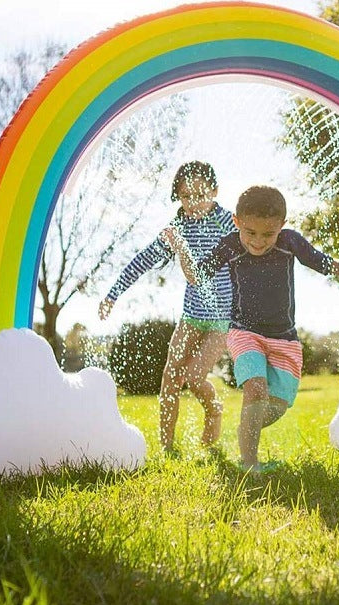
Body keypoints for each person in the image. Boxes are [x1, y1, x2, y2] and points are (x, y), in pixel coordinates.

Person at [163, 185, 339, 472]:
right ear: (237, 222)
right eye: (250, 232)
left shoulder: (289, 242)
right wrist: (181, 248)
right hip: (244, 332)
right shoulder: (230, 244)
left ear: (282, 226)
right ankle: (250, 464)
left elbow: (319, 261)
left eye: (268, 234)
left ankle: (245, 427)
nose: (258, 241)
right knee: (256, 388)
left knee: (275, 407)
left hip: (284, 339)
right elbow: (196, 276)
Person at [96, 161, 235, 453]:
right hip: (191, 317)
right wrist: (113, 294)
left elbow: (251, 242)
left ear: (215, 191)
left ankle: (214, 410)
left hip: (222, 319)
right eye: (186, 196)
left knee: (196, 378)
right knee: (171, 375)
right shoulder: (178, 228)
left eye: (200, 194)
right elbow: (143, 260)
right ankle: (166, 448)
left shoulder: (226, 221)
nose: (193, 202)